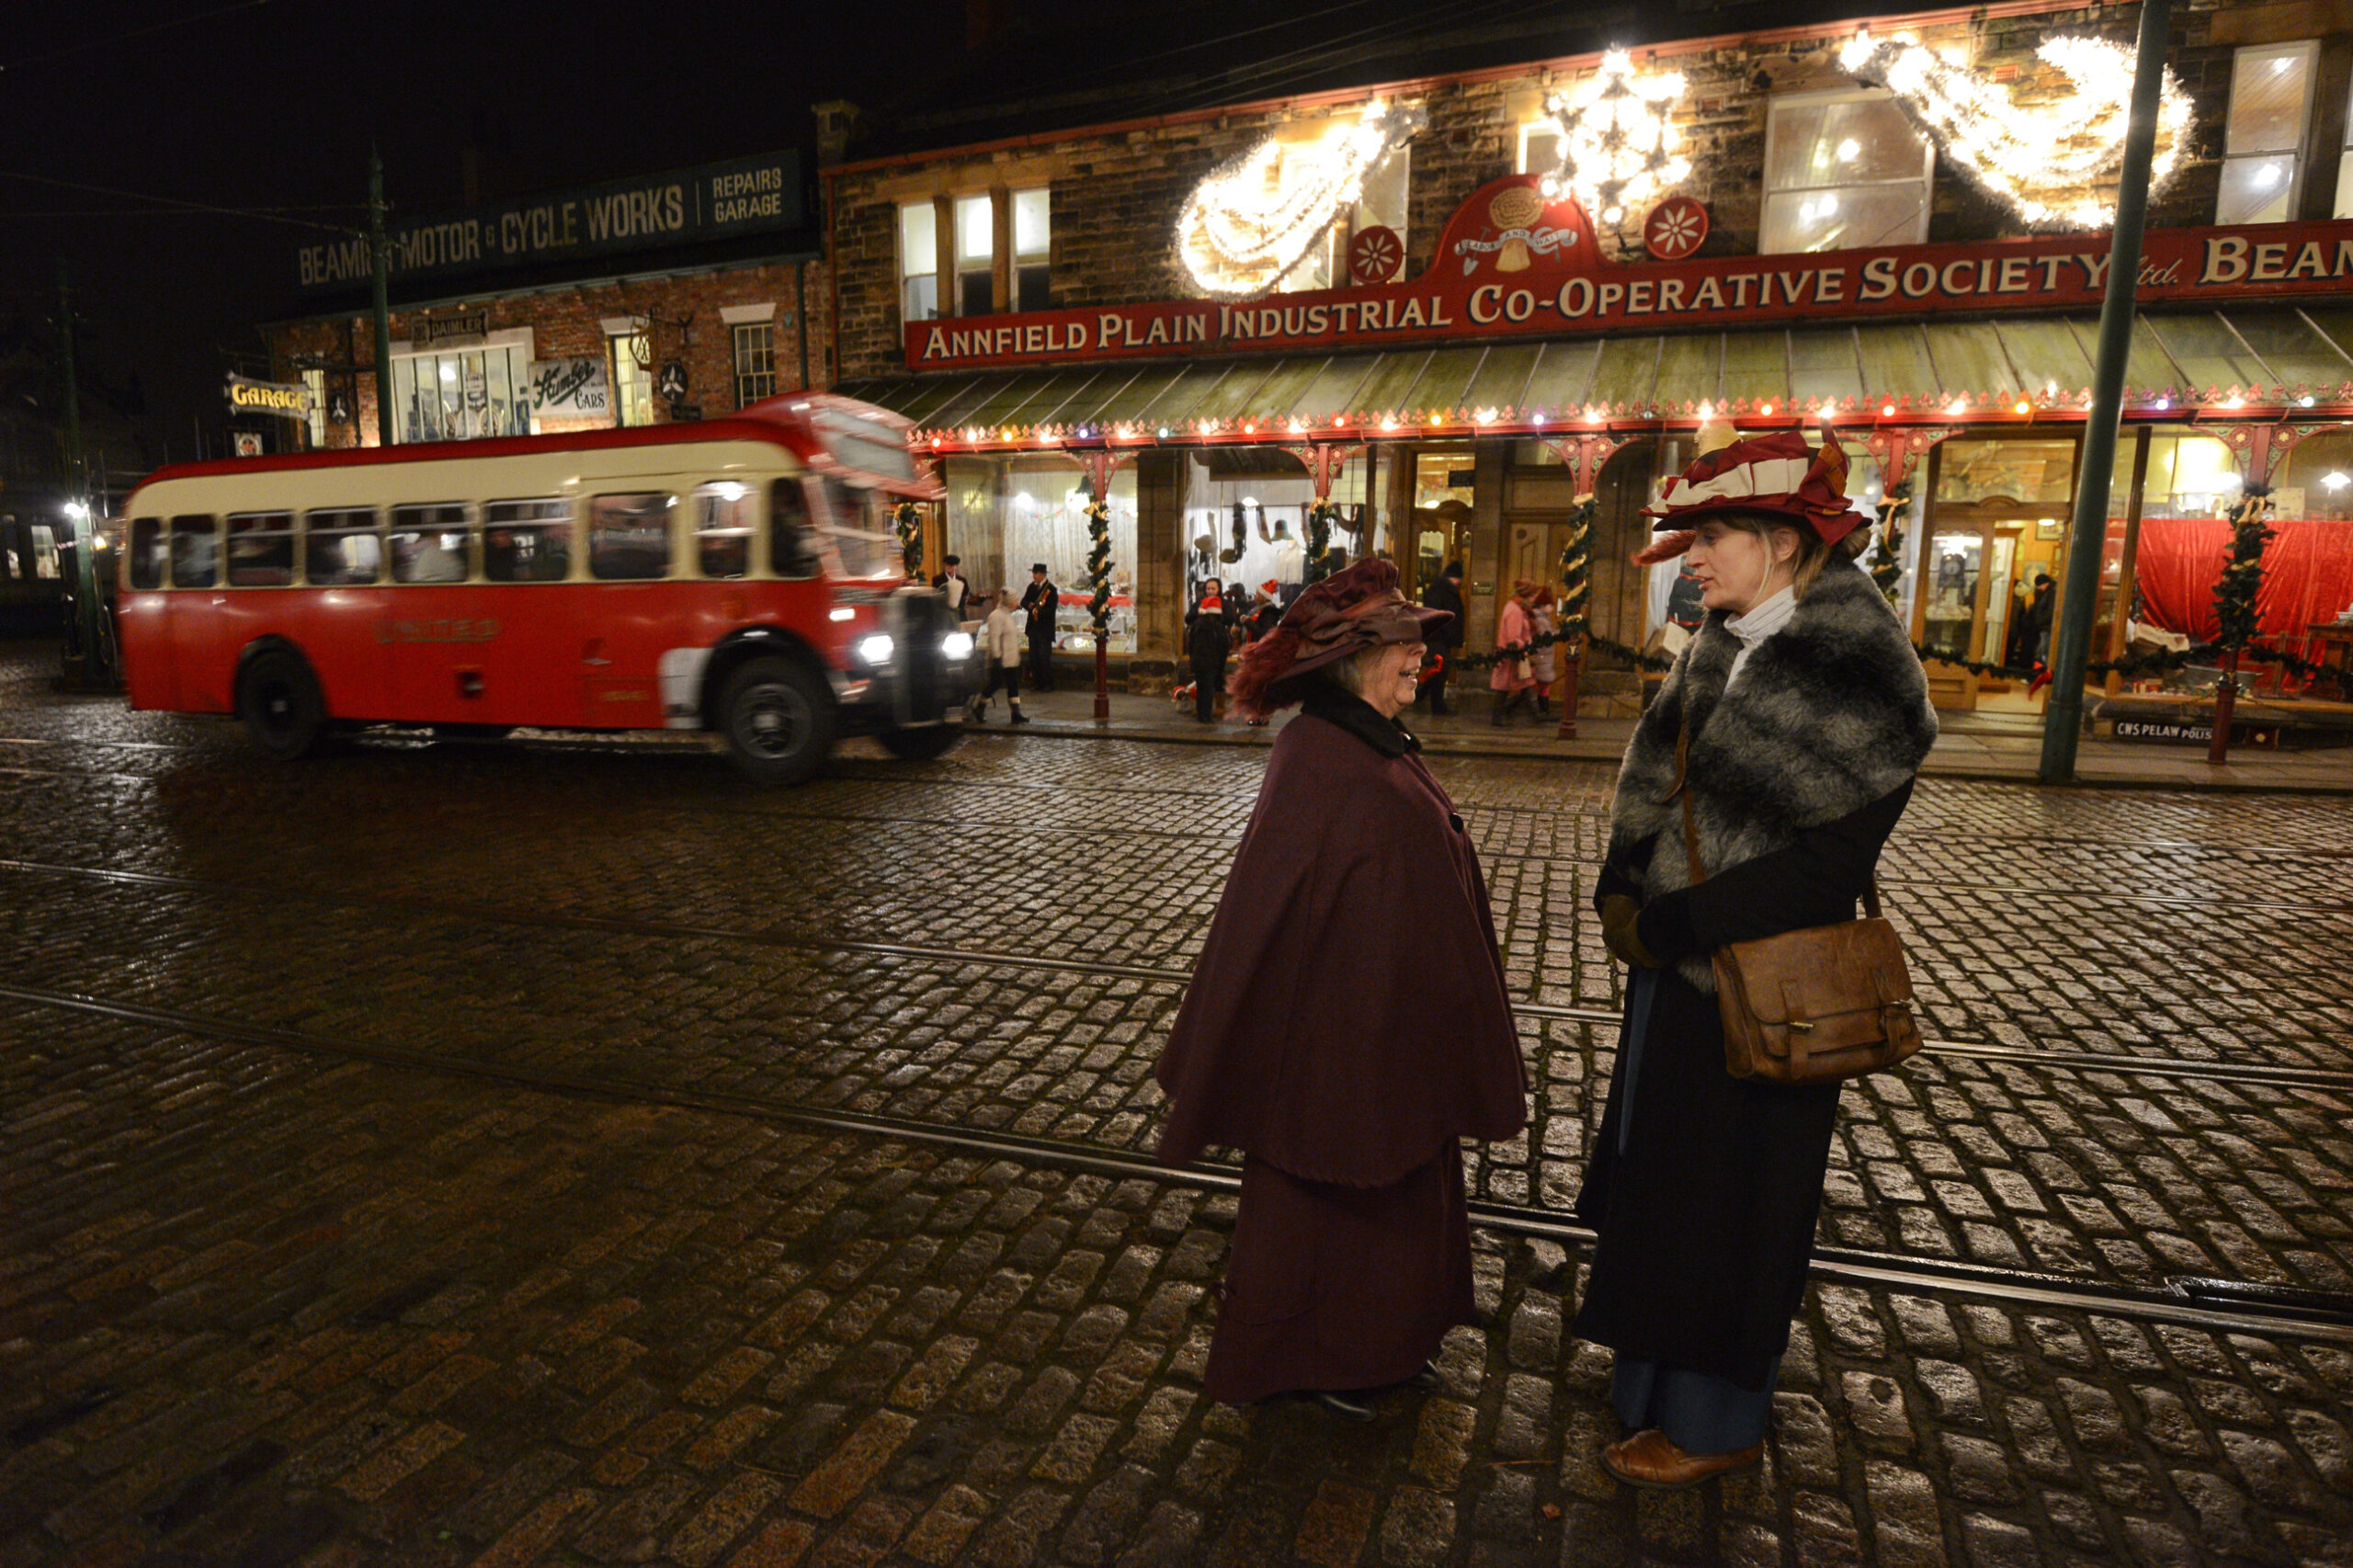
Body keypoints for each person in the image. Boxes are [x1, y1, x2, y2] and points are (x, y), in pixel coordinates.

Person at [1575, 431, 1938, 1489]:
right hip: (1681, 980)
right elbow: (1662, 788)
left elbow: (1825, 868)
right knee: (1663, 1186)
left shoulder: (1863, 673)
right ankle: (1648, 1381)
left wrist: (1673, 922)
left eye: (1712, 534)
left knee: (1731, 1205)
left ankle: (1713, 1416)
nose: (1691, 558)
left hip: (1761, 988)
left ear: (1781, 541)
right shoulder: (1727, 639)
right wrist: (1619, 880)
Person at [1156, 558, 1527, 1421]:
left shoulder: (1362, 743)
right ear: (1351, 661)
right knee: (1328, 1209)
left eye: (1416, 646)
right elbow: (1288, 910)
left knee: (1390, 1202)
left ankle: (1384, 1344)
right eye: (1401, 647)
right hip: (1338, 1044)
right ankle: (1321, 1355)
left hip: (1383, 1033)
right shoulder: (1325, 757)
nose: (1417, 662)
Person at [971, 587, 1029, 725]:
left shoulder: (1008, 615)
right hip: (1001, 658)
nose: (1017, 602)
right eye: (1015, 600)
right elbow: (994, 638)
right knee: (995, 684)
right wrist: (996, 657)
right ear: (1009, 601)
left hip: (1010, 659)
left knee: (1013, 685)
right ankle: (980, 706)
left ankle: (1016, 713)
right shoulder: (996, 616)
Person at [1186, 578, 1235, 722]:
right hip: (1203, 648)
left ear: (1218, 589)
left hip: (1214, 647)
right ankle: (1203, 711)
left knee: (1213, 678)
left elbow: (1229, 618)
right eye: (1208, 588)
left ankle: (1216, 707)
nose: (1210, 591)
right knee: (1204, 682)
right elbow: (1188, 618)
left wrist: (1217, 615)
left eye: (1213, 589)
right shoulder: (1199, 604)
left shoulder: (1224, 604)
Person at [1489, 578, 1539, 724]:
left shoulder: (1518, 608)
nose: (1535, 598)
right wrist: (1525, 647)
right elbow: (1513, 636)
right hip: (1513, 656)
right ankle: (1499, 716)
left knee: (1524, 685)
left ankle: (1534, 715)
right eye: (1533, 594)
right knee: (1507, 687)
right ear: (1526, 594)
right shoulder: (1515, 610)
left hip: (1517, 655)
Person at [1419, 561, 1464, 715]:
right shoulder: (1441, 590)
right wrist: (1445, 633)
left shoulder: (1443, 589)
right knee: (1441, 669)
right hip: (1437, 637)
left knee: (1440, 669)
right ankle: (1434, 704)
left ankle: (1421, 695)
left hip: (1441, 637)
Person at [1019, 563, 1060, 691]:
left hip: (1045, 628)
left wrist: (1039, 612)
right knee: (1033, 656)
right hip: (1033, 627)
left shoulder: (1051, 589)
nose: (1034, 576)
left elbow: (1051, 609)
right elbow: (1023, 601)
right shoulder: (1031, 587)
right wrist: (1029, 605)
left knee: (1044, 657)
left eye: (1036, 573)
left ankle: (1047, 683)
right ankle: (1037, 682)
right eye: (1033, 573)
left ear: (1043, 575)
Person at [1529, 585, 1560, 719]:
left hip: (1544, 656)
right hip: (1541, 656)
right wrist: (1560, 634)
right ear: (1543, 606)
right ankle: (1542, 711)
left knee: (1543, 685)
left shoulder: (1542, 618)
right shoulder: (1540, 620)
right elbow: (1546, 636)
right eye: (1550, 605)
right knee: (1539, 685)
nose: (1552, 609)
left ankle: (1544, 711)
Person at [932, 553, 971, 620]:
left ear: (957, 566)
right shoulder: (937, 579)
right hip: (944, 615)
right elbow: (936, 597)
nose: (949, 567)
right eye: (947, 565)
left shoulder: (962, 580)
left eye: (952, 565)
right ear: (945, 565)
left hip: (959, 614)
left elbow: (966, 595)